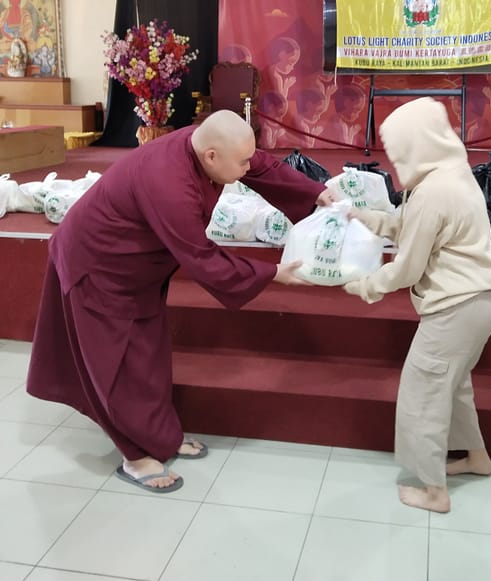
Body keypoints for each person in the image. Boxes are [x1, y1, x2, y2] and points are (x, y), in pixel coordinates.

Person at [27, 110, 335, 494]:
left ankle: (161, 437)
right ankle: (136, 456)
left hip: (137, 267)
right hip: (99, 266)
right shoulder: (169, 184)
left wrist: (314, 192)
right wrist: (272, 273)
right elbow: (202, 258)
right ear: (211, 156)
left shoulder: (206, 144)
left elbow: (259, 164)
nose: (247, 167)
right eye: (241, 162)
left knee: (149, 357)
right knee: (119, 365)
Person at [343, 97, 491, 513]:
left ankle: (434, 491)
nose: (396, 160)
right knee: (454, 386)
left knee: (424, 394)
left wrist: (364, 286)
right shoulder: (452, 172)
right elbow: (410, 224)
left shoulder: (432, 192)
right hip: (483, 302)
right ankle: (477, 457)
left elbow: (407, 268)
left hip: (456, 308)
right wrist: (365, 217)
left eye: (399, 150)